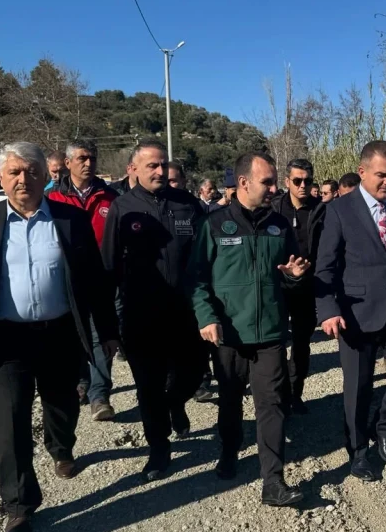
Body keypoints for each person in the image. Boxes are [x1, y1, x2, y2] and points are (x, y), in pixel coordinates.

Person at [0, 141, 118, 532]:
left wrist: (108, 332)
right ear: (1, 178)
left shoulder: (70, 219)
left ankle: (61, 447)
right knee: (10, 423)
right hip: (6, 340)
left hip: (59, 334)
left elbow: (95, 282)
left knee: (61, 405)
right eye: (15, 172)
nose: (23, 179)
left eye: (31, 171)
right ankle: (19, 506)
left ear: (46, 175)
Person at [191, 151, 306, 506]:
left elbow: (289, 277)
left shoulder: (280, 226)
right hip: (229, 334)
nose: (275, 188)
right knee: (229, 401)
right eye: (267, 182)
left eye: (274, 181)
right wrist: (206, 317)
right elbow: (197, 279)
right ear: (243, 183)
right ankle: (229, 450)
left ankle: (273, 479)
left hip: (270, 333)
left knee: (271, 404)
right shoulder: (214, 225)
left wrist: (294, 279)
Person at [315, 140, 386, 481]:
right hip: (356, 313)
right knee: (359, 386)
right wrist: (328, 310)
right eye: (381, 175)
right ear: (362, 171)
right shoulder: (339, 210)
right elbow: (325, 267)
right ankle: (358, 450)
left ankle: (383, 426)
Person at [101, 139, 205, 481]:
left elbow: (208, 255)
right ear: (135, 169)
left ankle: (176, 401)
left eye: (163, 165)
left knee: (191, 376)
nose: (160, 171)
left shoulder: (187, 204)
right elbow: (110, 268)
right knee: (148, 386)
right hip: (141, 316)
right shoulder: (123, 208)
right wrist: (108, 327)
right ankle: (158, 450)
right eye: (152, 166)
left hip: (186, 314)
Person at [47, 139, 119, 420]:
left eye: (92, 158)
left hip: (102, 279)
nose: (88, 163)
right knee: (74, 336)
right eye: (82, 158)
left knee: (102, 336)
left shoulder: (110, 198)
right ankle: (80, 382)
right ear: (67, 163)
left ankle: (100, 396)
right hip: (64, 281)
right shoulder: (51, 199)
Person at [271, 158, 323, 414]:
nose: (303, 185)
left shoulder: (321, 210)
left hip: (308, 288)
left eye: (308, 181)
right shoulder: (274, 210)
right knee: (277, 344)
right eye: (297, 180)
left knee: (302, 344)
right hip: (279, 287)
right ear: (287, 182)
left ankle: (296, 392)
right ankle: (278, 393)